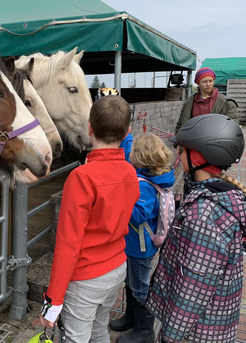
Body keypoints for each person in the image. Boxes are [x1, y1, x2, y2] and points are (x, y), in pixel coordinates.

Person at [146, 114, 246, 343]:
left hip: (196, 331)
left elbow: (194, 287)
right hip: (211, 323)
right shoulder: (222, 194)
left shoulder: (202, 215)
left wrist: (170, 336)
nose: (178, 154)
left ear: (200, 156)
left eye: (182, 150)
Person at [38, 95, 140, 343]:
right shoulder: (130, 171)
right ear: (127, 131)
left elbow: (68, 243)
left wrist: (53, 299)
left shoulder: (81, 177)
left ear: (90, 128)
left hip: (86, 277)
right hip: (117, 267)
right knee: (99, 329)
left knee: (76, 337)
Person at [111, 133, 175, 343]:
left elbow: (138, 215)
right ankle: (131, 318)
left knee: (140, 286)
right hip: (135, 244)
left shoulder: (144, 186)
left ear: (139, 157)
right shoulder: (145, 178)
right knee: (131, 281)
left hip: (140, 247)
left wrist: (120, 198)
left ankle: (144, 330)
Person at [175, 67, 239, 134]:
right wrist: (178, 142)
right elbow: (181, 124)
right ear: (198, 83)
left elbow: (232, 127)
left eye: (210, 81)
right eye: (204, 82)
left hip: (216, 142)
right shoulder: (190, 102)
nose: (208, 84)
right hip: (193, 141)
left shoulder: (227, 103)